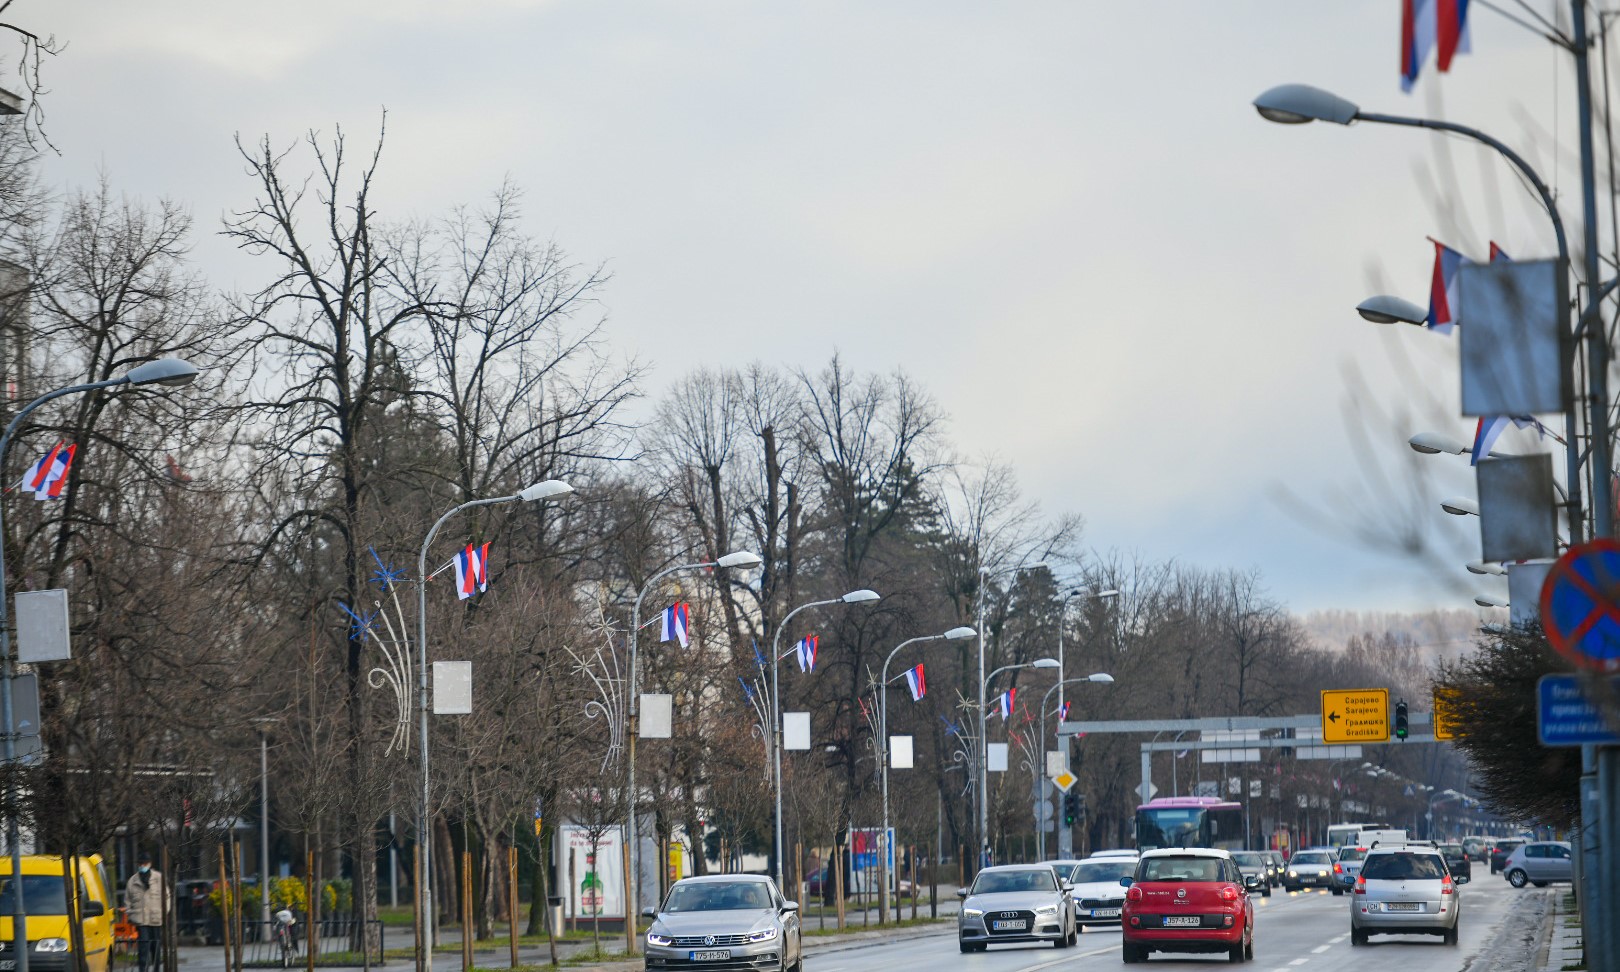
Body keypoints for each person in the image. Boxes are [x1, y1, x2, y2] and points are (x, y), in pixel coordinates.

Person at [125, 854, 166, 972]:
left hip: (155, 920)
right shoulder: (132, 881)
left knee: (156, 950)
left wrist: (163, 913)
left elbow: (166, 897)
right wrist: (131, 915)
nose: (142, 866)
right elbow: (127, 901)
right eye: (140, 864)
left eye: (144, 864)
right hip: (141, 921)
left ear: (150, 864)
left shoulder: (158, 878)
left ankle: (156, 969)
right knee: (143, 950)